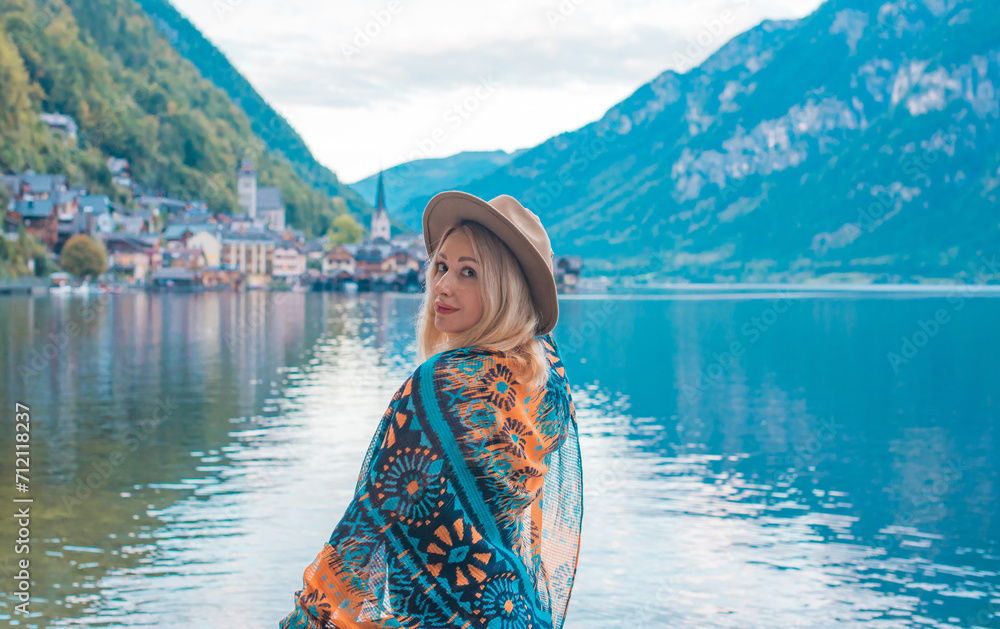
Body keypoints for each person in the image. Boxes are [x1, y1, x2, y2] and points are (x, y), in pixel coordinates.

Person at [279, 191, 583, 629]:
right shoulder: (545, 382)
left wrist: (306, 619)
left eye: (468, 272)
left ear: (507, 289)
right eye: (441, 267)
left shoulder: (438, 386)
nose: (443, 286)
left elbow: (365, 527)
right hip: (515, 611)